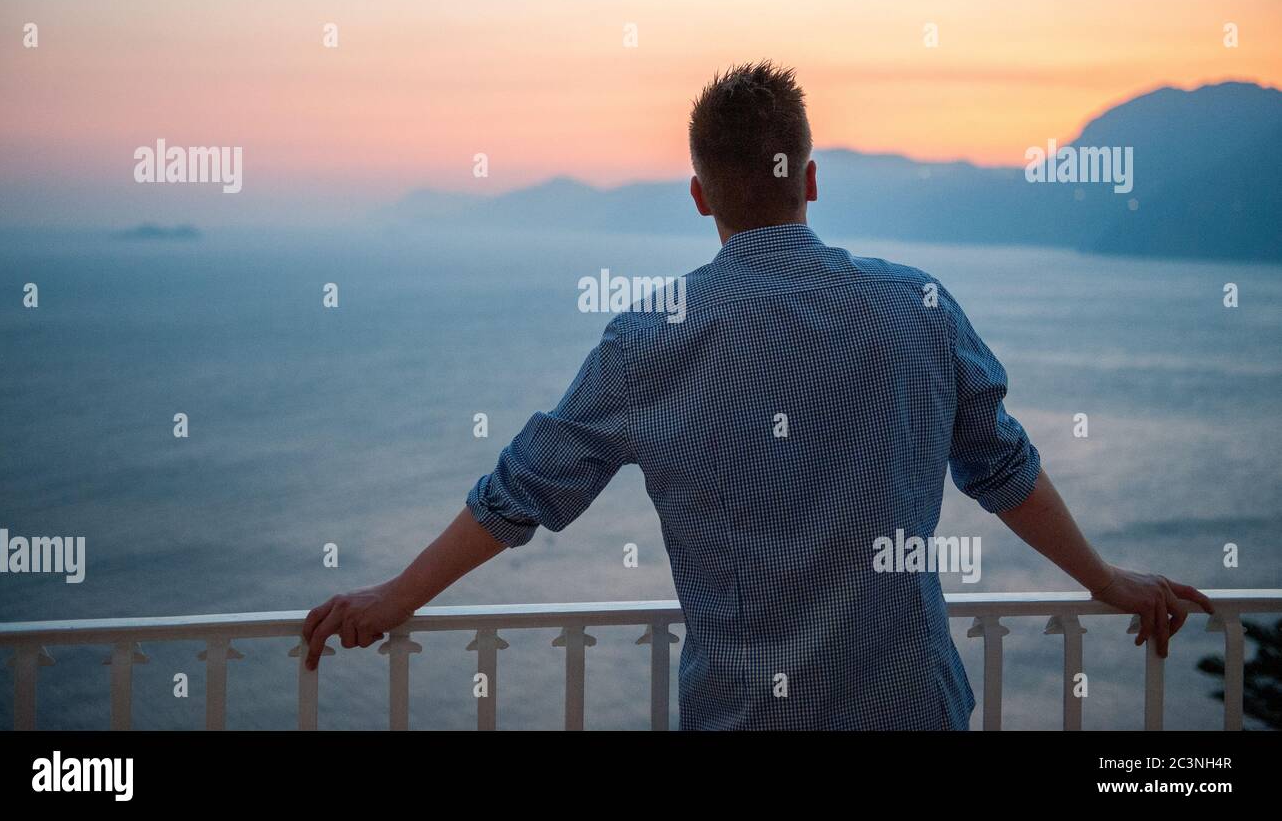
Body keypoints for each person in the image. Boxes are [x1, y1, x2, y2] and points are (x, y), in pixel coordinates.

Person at [303, 61, 1213, 729]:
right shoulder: (918, 308)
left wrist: (396, 598)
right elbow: (1003, 467)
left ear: (700, 194)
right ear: (810, 178)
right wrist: (1109, 581)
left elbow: (521, 489)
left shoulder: (649, 339)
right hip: (911, 711)